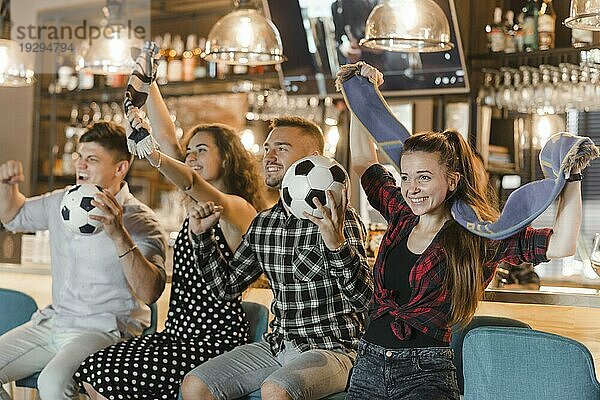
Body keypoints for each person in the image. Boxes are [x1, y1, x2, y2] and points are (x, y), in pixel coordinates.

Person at [345, 65, 585, 399]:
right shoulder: (401, 215)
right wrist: (359, 93)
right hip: (368, 362)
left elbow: (561, 245)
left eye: (424, 177)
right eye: (405, 177)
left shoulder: (477, 237)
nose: (411, 189)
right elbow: (362, 163)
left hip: (425, 372)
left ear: (453, 180)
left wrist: (572, 179)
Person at [74, 81, 266, 400]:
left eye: (202, 150)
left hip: (213, 342)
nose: (191, 156)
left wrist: (154, 155)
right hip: (175, 335)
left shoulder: (236, 207)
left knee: (111, 376)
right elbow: (167, 140)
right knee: (94, 369)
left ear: (229, 158)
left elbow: (187, 178)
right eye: (189, 150)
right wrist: (148, 87)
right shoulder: (192, 200)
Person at [180, 116, 373, 400]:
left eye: (281, 148)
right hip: (277, 346)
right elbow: (227, 289)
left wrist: (337, 245)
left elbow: (365, 300)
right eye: (268, 147)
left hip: (336, 350)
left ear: (312, 158)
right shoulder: (264, 223)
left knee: (276, 389)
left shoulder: (340, 218)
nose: (268, 156)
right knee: (194, 385)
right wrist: (202, 239)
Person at [0, 121, 167, 400]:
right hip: (54, 321)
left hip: (107, 329)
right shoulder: (61, 201)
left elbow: (150, 291)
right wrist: (7, 187)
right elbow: (13, 216)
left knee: (52, 383)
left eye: (92, 159)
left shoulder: (141, 220)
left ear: (120, 168)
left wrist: (118, 233)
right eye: (80, 157)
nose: (81, 166)